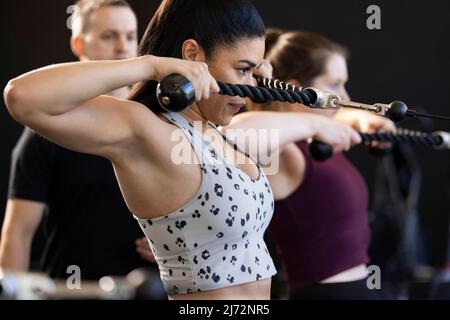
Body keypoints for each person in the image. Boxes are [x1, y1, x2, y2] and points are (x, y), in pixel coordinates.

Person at [3, 0, 361, 299]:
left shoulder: (218, 132)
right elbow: (22, 97)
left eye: (253, 70)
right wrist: (151, 65)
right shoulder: (150, 131)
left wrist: (339, 121)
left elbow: (287, 124)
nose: (249, 85)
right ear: (192, 54)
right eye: (242, 69)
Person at [0, 0, 157, 282]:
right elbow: (18, 233)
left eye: (130, 36)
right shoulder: (45, 132)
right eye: (109, 36)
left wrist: (176, 244)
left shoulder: (162, 122)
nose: (123, 46)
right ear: (79, 45)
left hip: (152, 289)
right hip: (72, 288)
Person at [240, 29, 396, 299]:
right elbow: (230, 133)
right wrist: (324, 121)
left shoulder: (315, 139)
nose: (344, 96)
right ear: (298, 90)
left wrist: (355, 118)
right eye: (335, 84)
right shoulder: (279, 150)